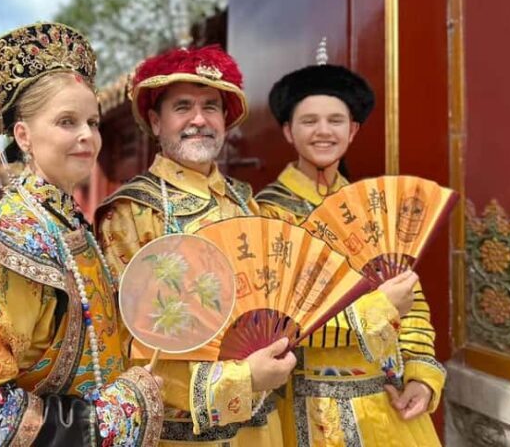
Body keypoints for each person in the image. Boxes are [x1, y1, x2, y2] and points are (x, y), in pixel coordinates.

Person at [0, 22, 163, 446]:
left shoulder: (70, 223)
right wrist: (121, 411)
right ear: (24, 136)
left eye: (93, 122)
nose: (87, 136)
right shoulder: (15, 243)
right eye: (66, 121)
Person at [96, 45, 296, 447]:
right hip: (182, 432)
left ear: (225, 120)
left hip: (263, 424)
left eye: (211, 107)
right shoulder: (131, 213)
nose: (199, 119)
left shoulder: (247, 202)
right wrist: (240, 378)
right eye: (183, 107)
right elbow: (126, 343)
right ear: (156, 121)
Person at [256, 60, 445, 446]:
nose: (323, 131)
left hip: (387, 398)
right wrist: (379, 308)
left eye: (336, 121)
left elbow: (411, 302)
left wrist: (420, 376)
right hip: (308, 401)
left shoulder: (375, 209)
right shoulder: (268, 214)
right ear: (289, 131)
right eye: (309, 121)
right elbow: (277, 321)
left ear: (353, 130)